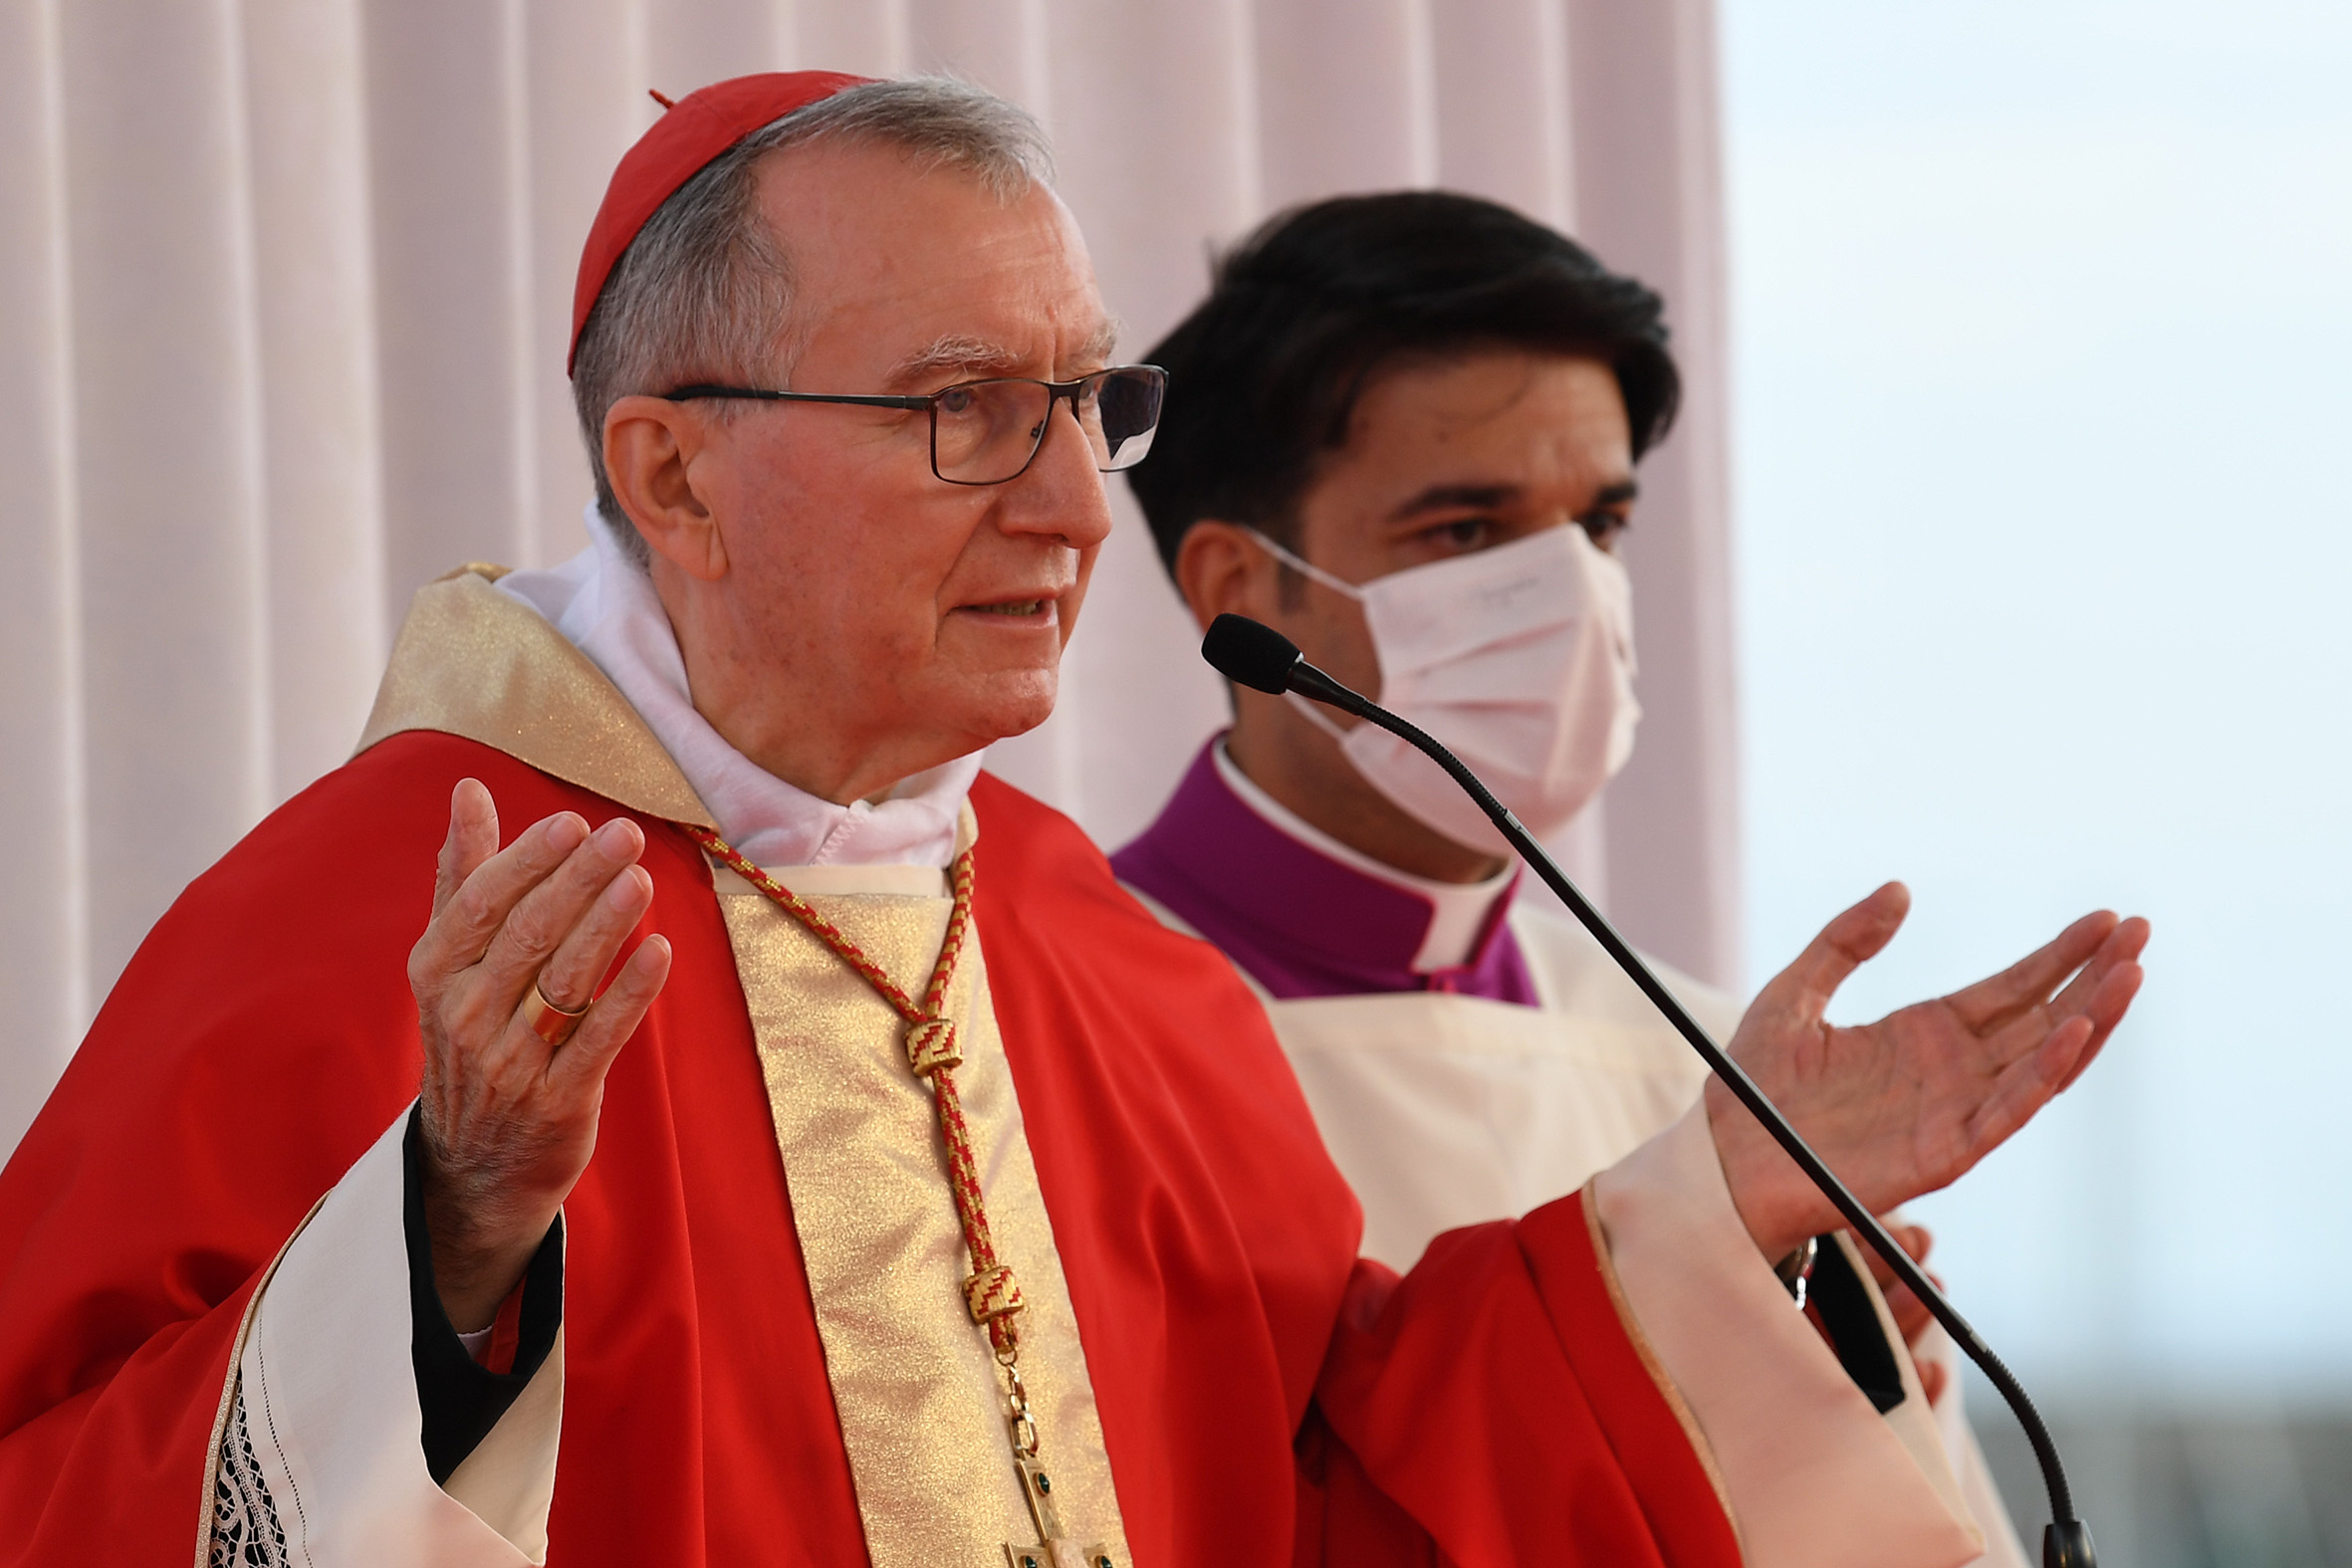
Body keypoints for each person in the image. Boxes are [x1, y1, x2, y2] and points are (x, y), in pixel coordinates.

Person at [0, 74, 2146, 1568]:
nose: (1066, 504)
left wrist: (1723, 1201)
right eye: (961, 410)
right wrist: (448, 1240)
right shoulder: (378, 917)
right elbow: (56, 1490)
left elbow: (1340, 1471)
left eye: (1083, 404)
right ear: (671, 474)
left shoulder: (1094, 960)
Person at [1112, 192, 2076, 1564]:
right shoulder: (1053, 1035)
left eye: (1599, 525)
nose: (1567, 596)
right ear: (1240, 589)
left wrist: (1840, 1391)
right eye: (1466, 532)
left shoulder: (1711, 1065)